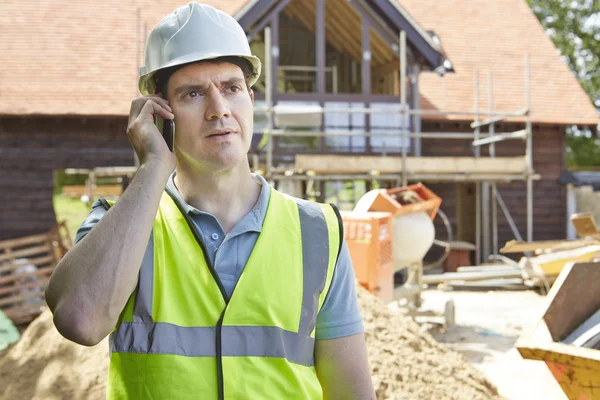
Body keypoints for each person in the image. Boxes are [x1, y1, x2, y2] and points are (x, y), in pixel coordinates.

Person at [45, 2, 374, 399]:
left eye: (231, 88)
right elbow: (80, 320)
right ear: (161, 116)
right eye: (193, 94)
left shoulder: (319, 232)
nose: (219, 110)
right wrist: (152, 167)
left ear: (250, 99)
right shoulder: (119, 227)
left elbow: (351, 392)